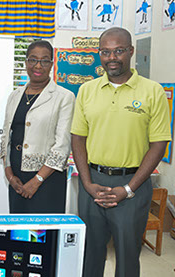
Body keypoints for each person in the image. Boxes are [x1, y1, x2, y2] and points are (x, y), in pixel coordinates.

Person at [71, 27, 171, 277]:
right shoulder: (87, 90)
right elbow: (78, 138)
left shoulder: (152, 91)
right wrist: (87, 183)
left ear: (131, 52)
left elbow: (159, 144)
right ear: (99, 54)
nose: (112, 57)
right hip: (92, 184)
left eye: (118, 51)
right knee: (89, 256)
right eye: (105, 52)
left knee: (127, 259)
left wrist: (127, 190)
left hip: (132, 187)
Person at [0, 41, 75, 213]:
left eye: (45, 61)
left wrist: (37, 180)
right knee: (18, 231)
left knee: (44, 233)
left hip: (48, 178)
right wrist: (9, 174)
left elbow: (62, 145)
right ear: (26, 62)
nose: (38, 66)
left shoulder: (64, 97)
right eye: (33, 60)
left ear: (51, 64)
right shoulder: (15, 95)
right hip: (17, 177)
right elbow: (6, 136)